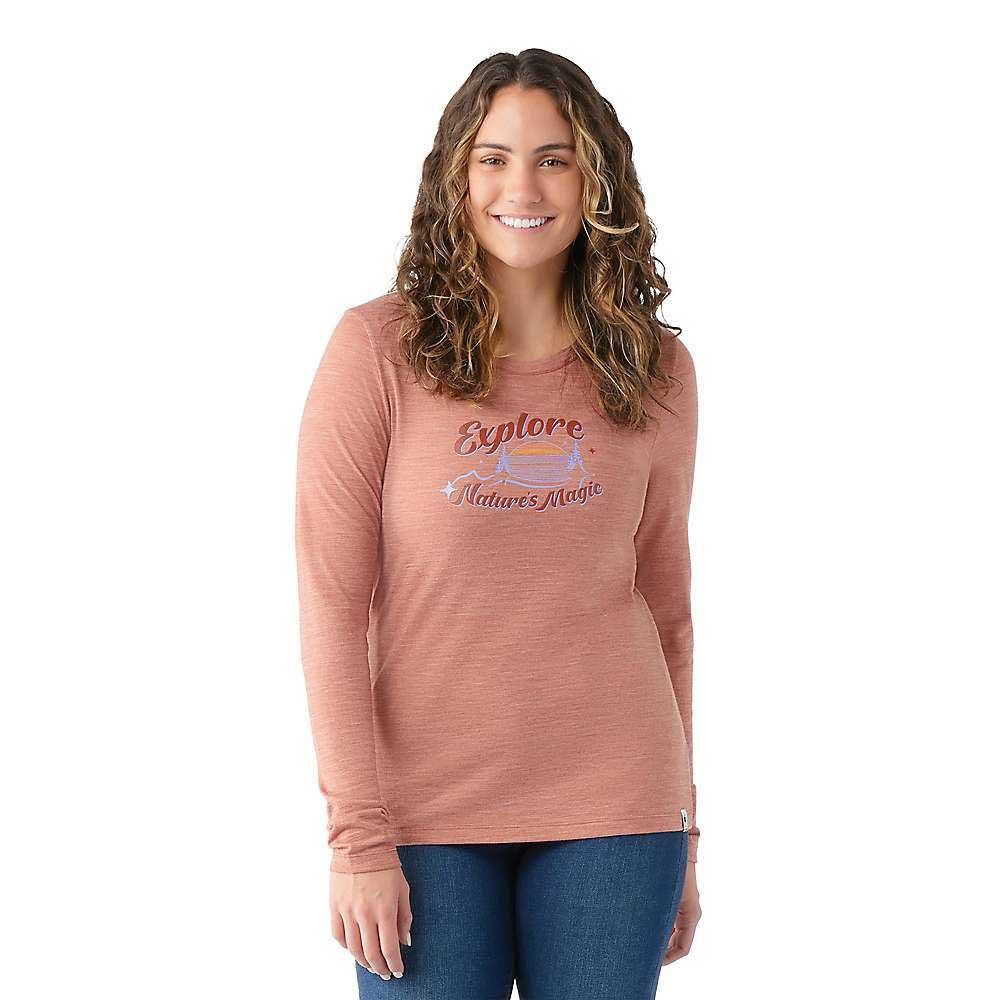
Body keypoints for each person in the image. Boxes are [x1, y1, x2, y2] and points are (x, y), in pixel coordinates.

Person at [295, 48, 703, 1000]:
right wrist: (357, 839)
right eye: (494, 158)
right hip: (421, 815)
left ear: (596, 179)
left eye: (555, 159)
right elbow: (331, 607)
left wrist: (686, 831)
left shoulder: (655, 370)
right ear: (456, 175)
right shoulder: (377, 353)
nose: (523, 187)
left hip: (618, 805)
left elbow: (667, 610)